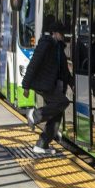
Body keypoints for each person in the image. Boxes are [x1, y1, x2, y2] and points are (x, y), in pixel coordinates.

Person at [22, 16, 70, 155]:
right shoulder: (46, 44)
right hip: (45, 85)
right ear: (54, 33)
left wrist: (71, 83)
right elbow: (34, 64)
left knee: (56, 116)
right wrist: (25, 85)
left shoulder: (59, 47)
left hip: (53, 85)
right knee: (62, 102)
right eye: (61, 33)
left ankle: (42, 145)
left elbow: (64, 69)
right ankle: (35, 115)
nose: (63, 36)